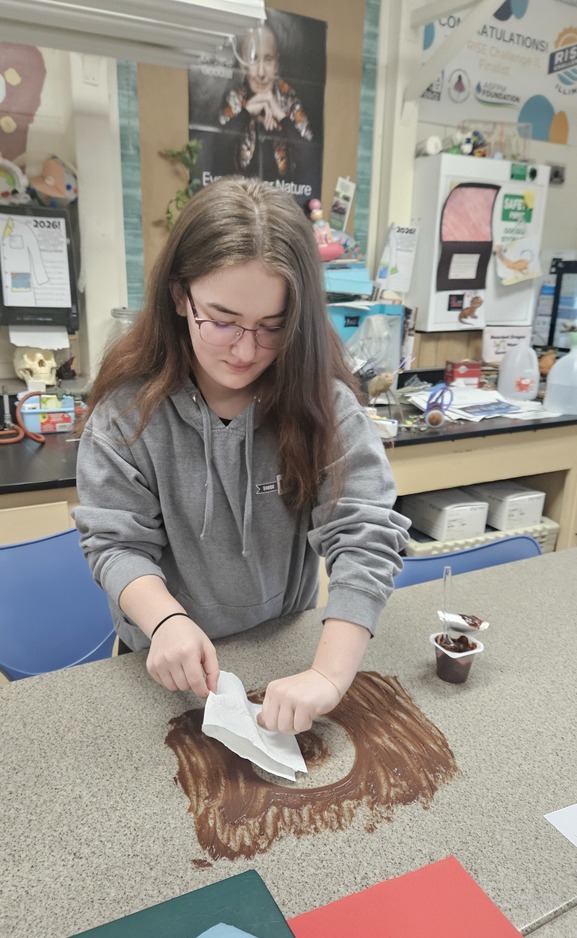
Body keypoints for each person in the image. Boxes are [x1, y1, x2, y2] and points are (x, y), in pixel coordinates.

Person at [73, 177, 410, 735]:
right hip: (163, 659)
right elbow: (116, 543)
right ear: (180, 297)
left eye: (273, 327)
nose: (246, 350)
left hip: (284, 648)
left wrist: (328, 674)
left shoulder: (322, 405)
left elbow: (365, 533)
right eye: (222, 320)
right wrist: (166, 621)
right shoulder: (126, 416)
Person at [217, 24, 313, 182]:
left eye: (268, 59)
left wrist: (281, 116)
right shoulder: (234, 100)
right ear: (243, 66)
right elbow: (215, 150)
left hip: (281, 194)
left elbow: (310, 159)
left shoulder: (290, 101)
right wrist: (246, 113)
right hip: (242, 194)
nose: (261, 72)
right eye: (253, 59)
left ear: (276, 65)